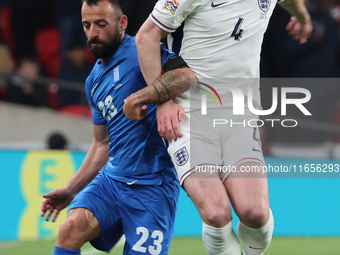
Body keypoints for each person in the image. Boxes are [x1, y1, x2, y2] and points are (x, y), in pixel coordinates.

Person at [124, 0, 313, 255]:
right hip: (188, 115)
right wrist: (164, 101)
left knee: (254, 213)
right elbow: (146, 37)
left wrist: (302, 18)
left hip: (239, 115)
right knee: (216, 213)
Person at [40, 0, 195, 254]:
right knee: (69, 229)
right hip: (112, 181)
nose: (93, 33)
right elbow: (102, 144)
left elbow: (186, 77)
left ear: (122, 23)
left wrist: (140, 97)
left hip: (153, 187)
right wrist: (70, 189)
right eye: (87, 25)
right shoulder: (93, 81)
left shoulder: (141, 51)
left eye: (101, 24)